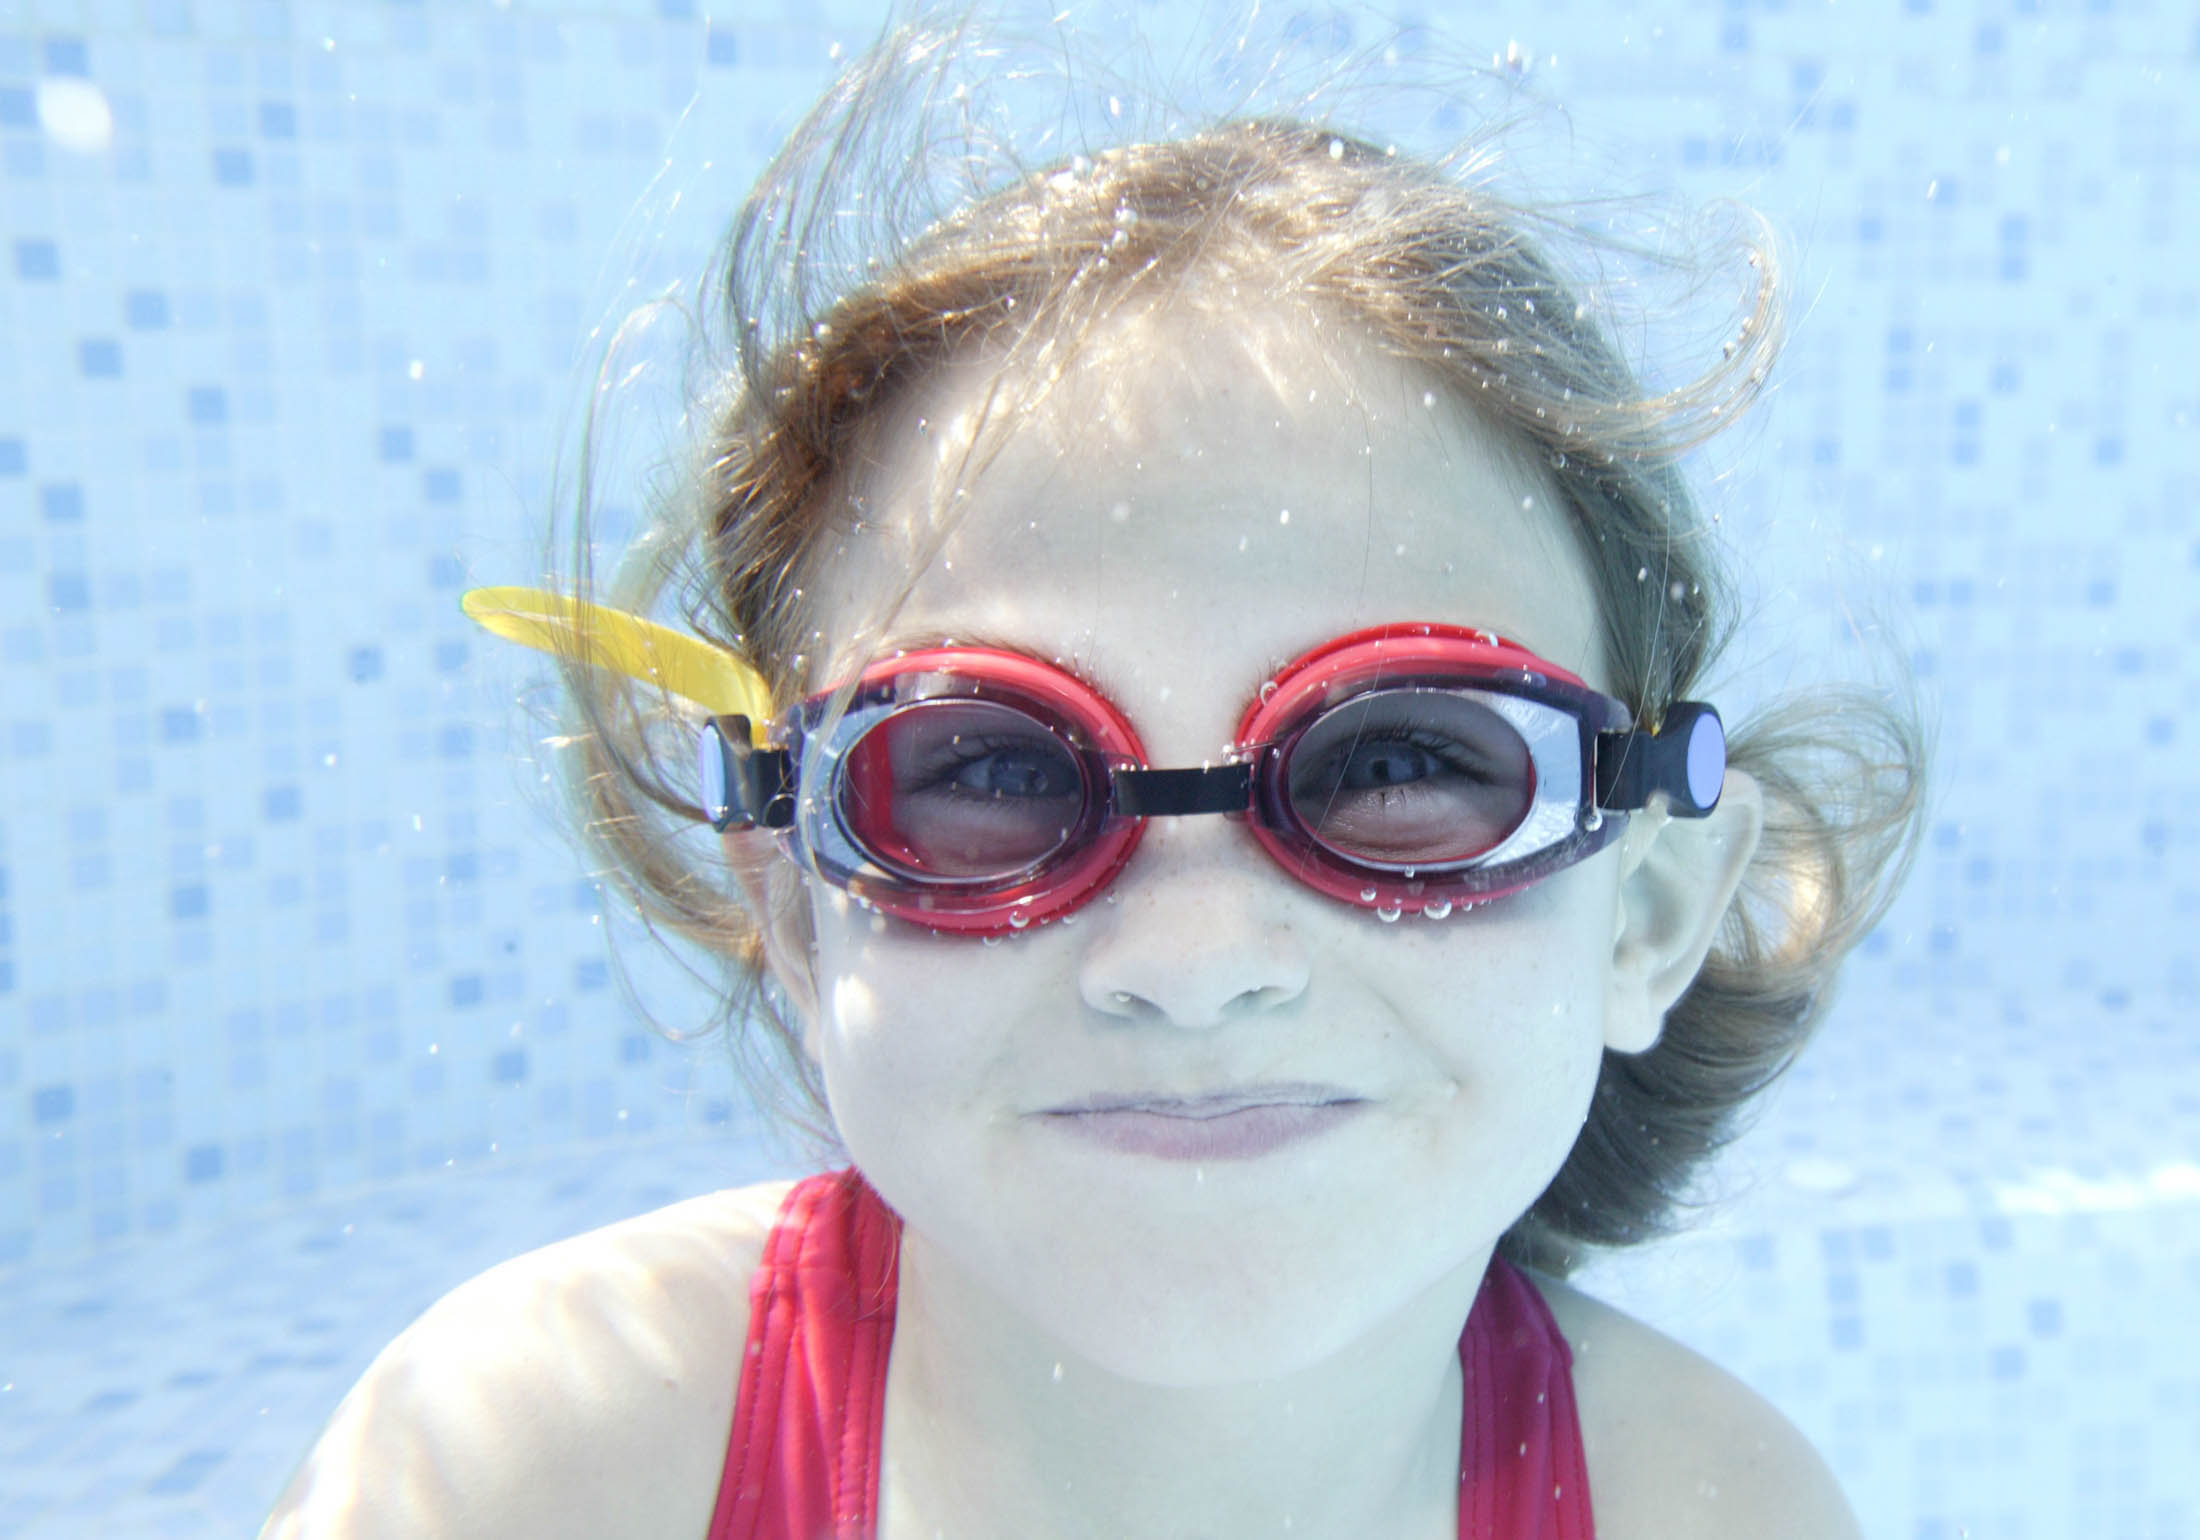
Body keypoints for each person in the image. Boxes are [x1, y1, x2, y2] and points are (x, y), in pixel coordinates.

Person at [262, 17, 1922, 1539]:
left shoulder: (1705, 1509)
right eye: (985, 771)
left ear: (1645, 909)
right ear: (795, 908)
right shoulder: (529, 1466)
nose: (1191, 964)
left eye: (1407, 761)